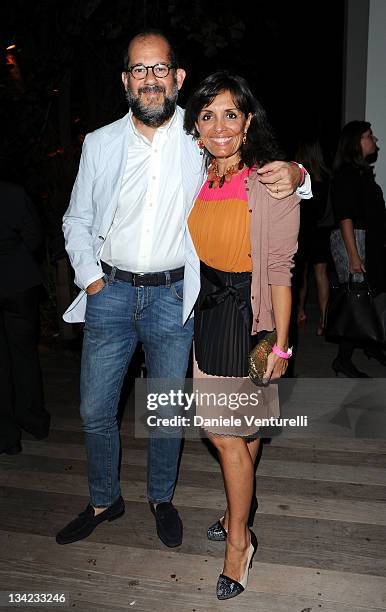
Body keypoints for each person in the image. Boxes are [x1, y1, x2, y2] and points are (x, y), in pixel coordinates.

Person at [57, 29, 311, 548]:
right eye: (138, 70)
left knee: (168, 407)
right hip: (111, 291)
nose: (149, 80)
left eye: (159, 69)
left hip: (176, 296)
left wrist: (298, 172)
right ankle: (105, 498)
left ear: (177, 78)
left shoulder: (199, 139)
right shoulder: (100, 143)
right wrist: (92, 279)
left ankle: (160, 497)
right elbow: (76, 218)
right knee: (95, 409)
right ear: (126, 81)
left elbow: (256, 170)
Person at [184, 72, 300, 599]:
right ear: (196, 127)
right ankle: (240, 507)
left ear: (248, 121)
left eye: (232, 114)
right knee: (237, 433)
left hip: (249, 319)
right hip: (208, 312)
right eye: (208, 115)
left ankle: (239, 542)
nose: (220, 126)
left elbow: (280, 268)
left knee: (227, 435)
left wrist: (279, 344)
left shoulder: (270, 181)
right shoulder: (195, 174)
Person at [330, 121, 386, 377]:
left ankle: (371, 344)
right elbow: (345, 218)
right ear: (355, 142)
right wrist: (354, 257)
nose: (374, 140)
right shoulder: (347, 175)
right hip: (356, 243)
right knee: (356, 299)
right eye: (369, 136)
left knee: (371, 296)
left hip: (369, 243)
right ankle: (343, 359)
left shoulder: (362, 173)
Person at [0, 180, 50, 455]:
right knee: (24, 355)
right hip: (18, 282)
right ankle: (34, 421)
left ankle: (7, 437)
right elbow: (34, 236)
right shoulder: (14, 192)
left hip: (15, 282)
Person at [295, 138, 332, 335]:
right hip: (321, 231)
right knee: (321, 274)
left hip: (302, 231)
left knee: (301, 273)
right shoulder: (326, 178)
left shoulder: (299, 178)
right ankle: (323, 321)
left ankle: (300, 313)